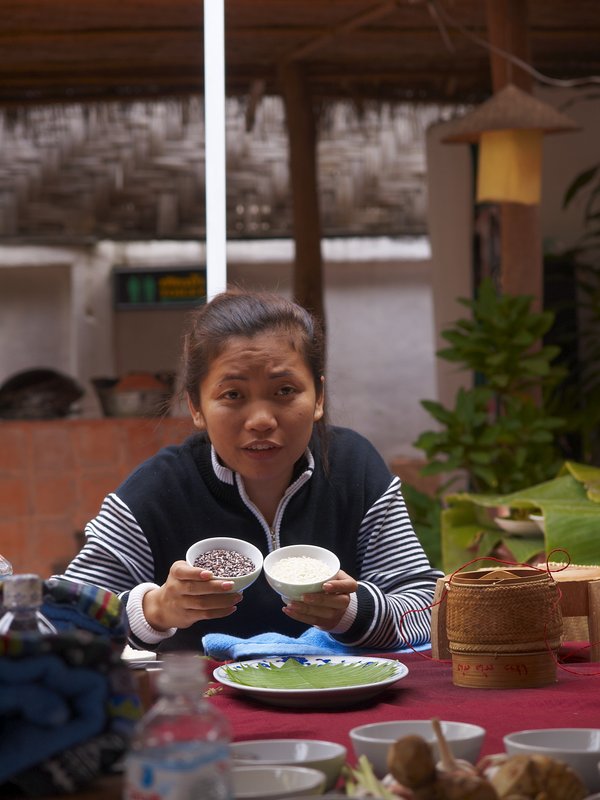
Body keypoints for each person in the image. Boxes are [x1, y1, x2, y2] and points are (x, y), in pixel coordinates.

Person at [62, 288, 443, 652]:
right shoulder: (157, 492)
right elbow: (62, 620)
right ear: (196, 406)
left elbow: (428, 609)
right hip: (202, 710)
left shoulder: (353, 469)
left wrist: (355, 612)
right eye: (232, 395)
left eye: (284, 391)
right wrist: (156, 610)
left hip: (343, 701)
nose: (261, 420)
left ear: (319, 397)